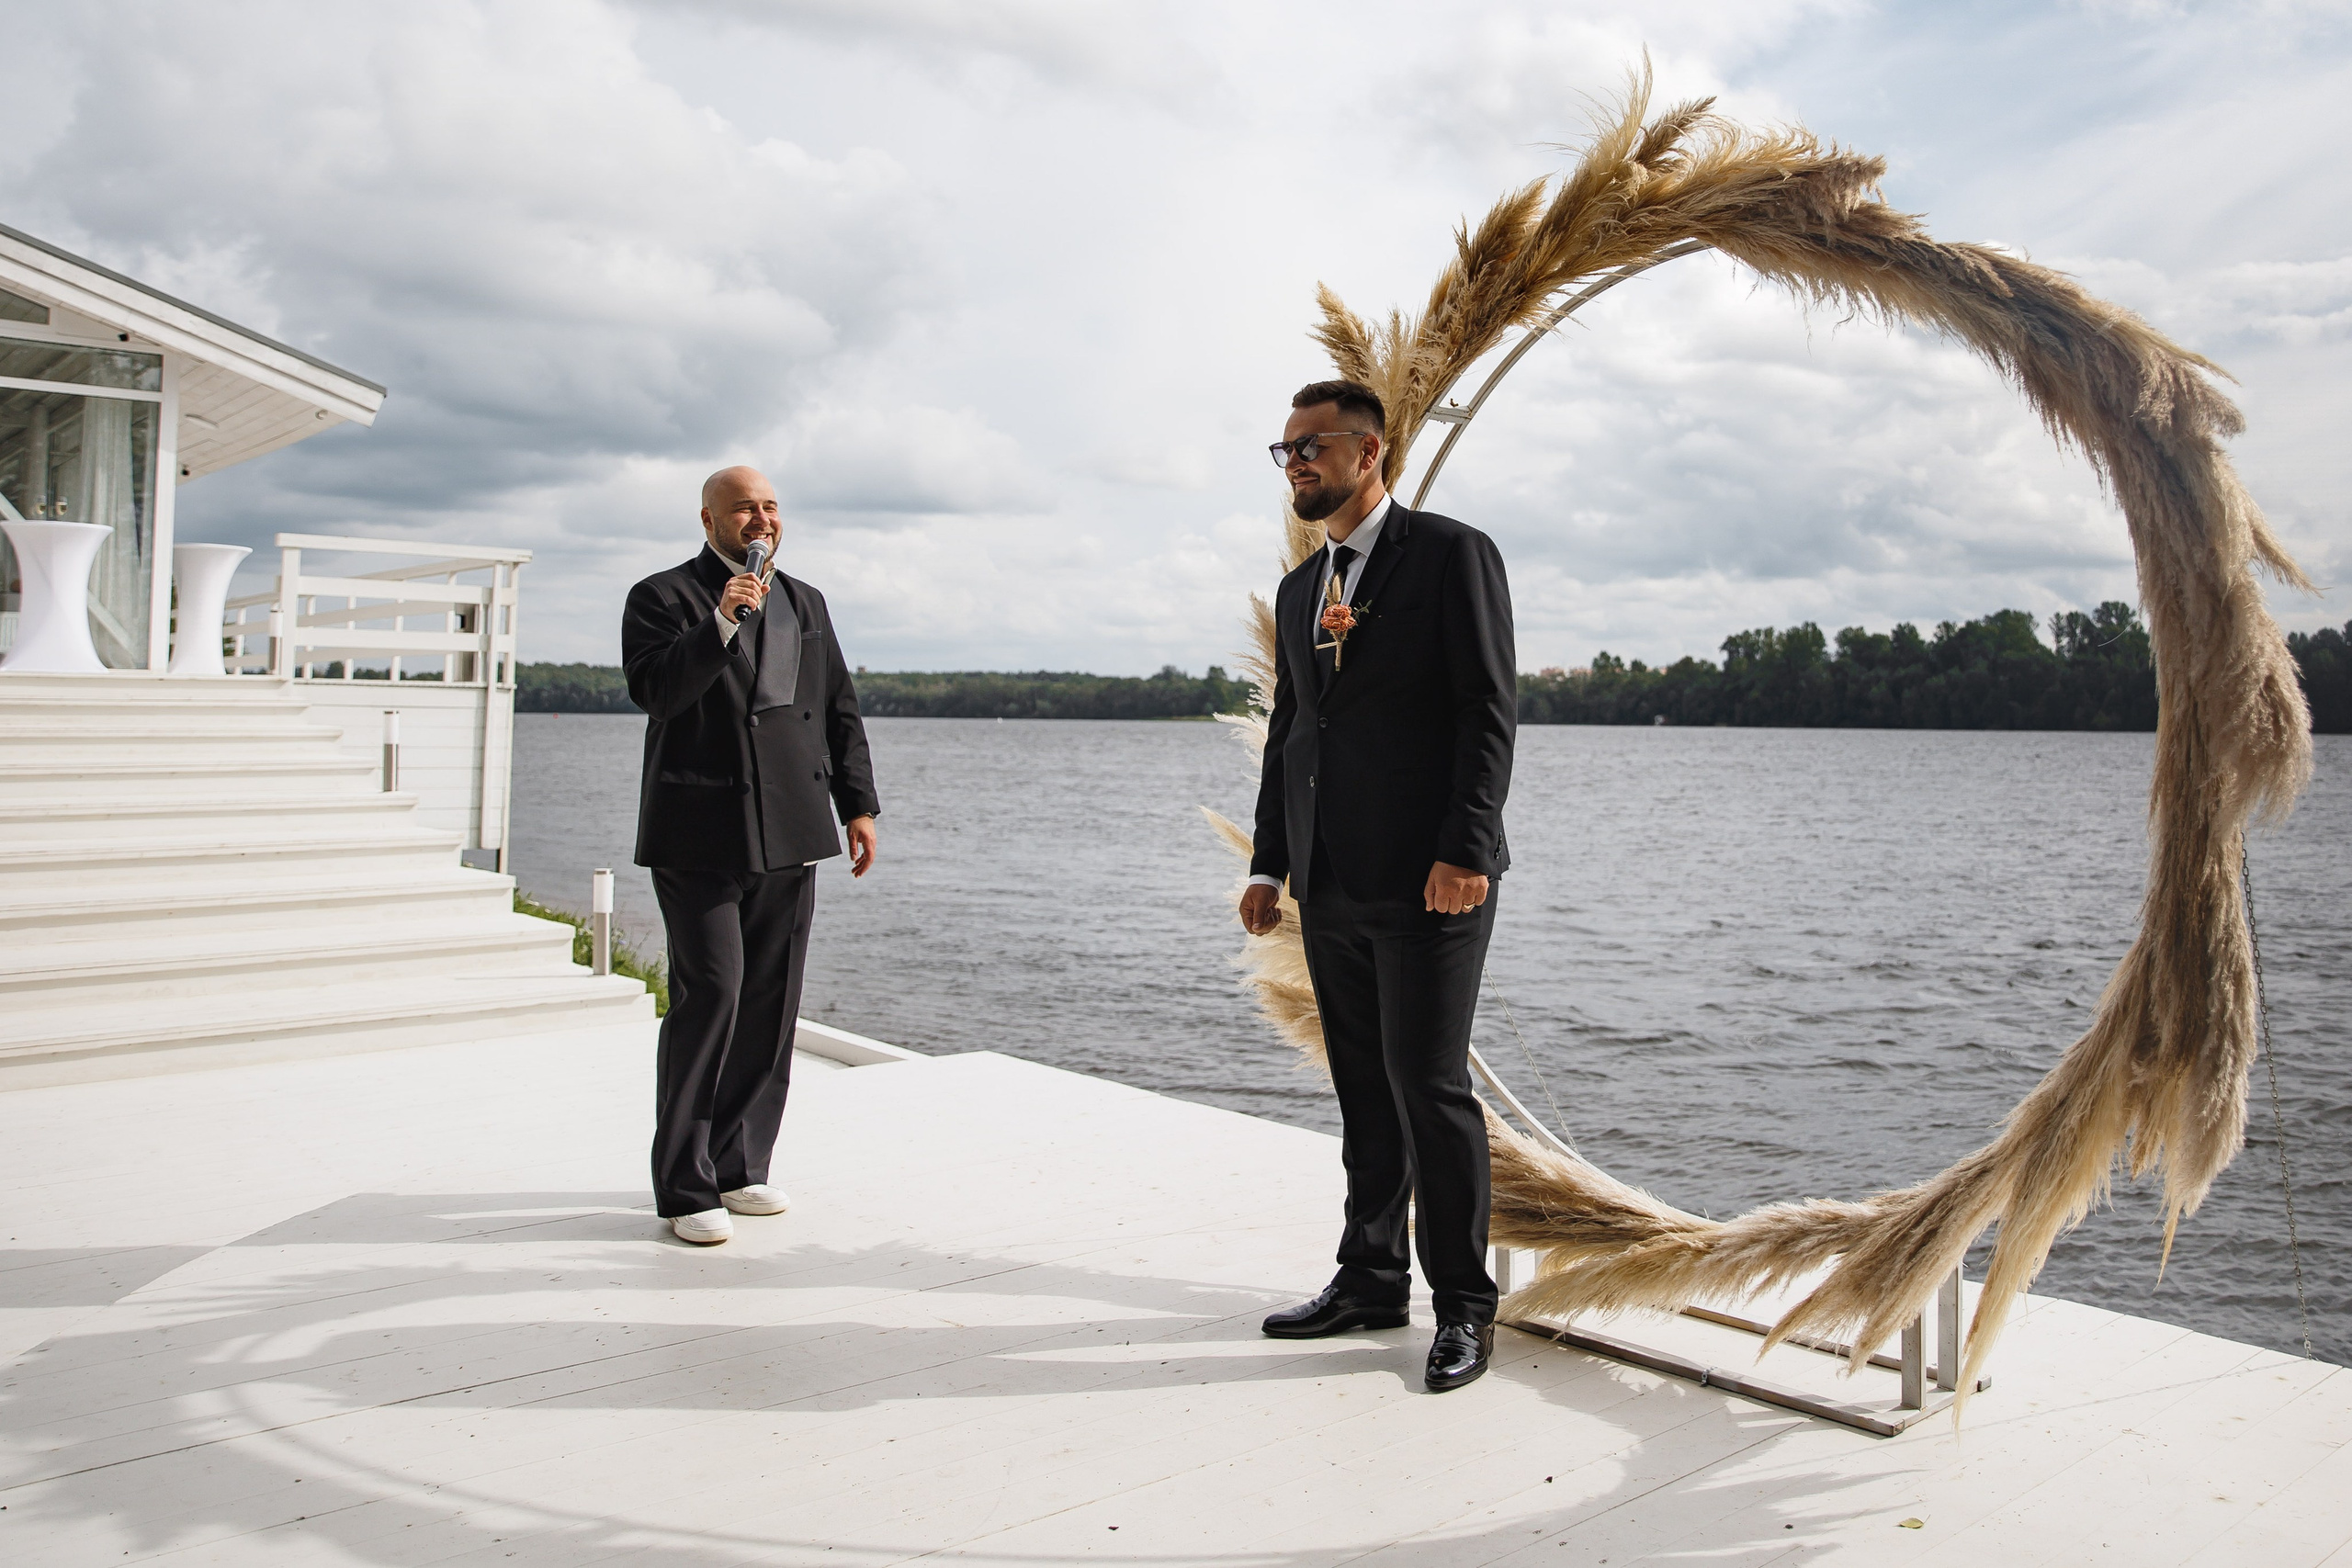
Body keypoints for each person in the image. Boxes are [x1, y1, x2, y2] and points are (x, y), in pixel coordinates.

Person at [1240, 379, 1517, 1392]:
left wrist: (1467, 850)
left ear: (1371, 452)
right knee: (1363, 1091)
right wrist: (1270, 862)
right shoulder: (1298, 589)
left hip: (1431, 879)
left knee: (1431, 1091)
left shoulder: (1451, 556)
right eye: (1285, 451)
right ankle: (1367, 1281)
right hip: (1327, 880)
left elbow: (1487, 712)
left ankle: (1463, 1308)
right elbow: (1291, 735)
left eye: (1310, 446)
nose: (1296, 464)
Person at [623, 466, 880, 1246]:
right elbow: (656, 691)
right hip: (696, 832)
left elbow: (838, 706)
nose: (759, 518)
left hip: (789, 829)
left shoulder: (807, 601)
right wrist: (722, 622)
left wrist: (858, 804)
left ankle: (740, 1165)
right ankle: (683, 1185)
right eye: (744, 508)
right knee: (712, 997)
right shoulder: (660, 597)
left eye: (769, 506)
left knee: (770, 1006)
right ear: (709, 518)